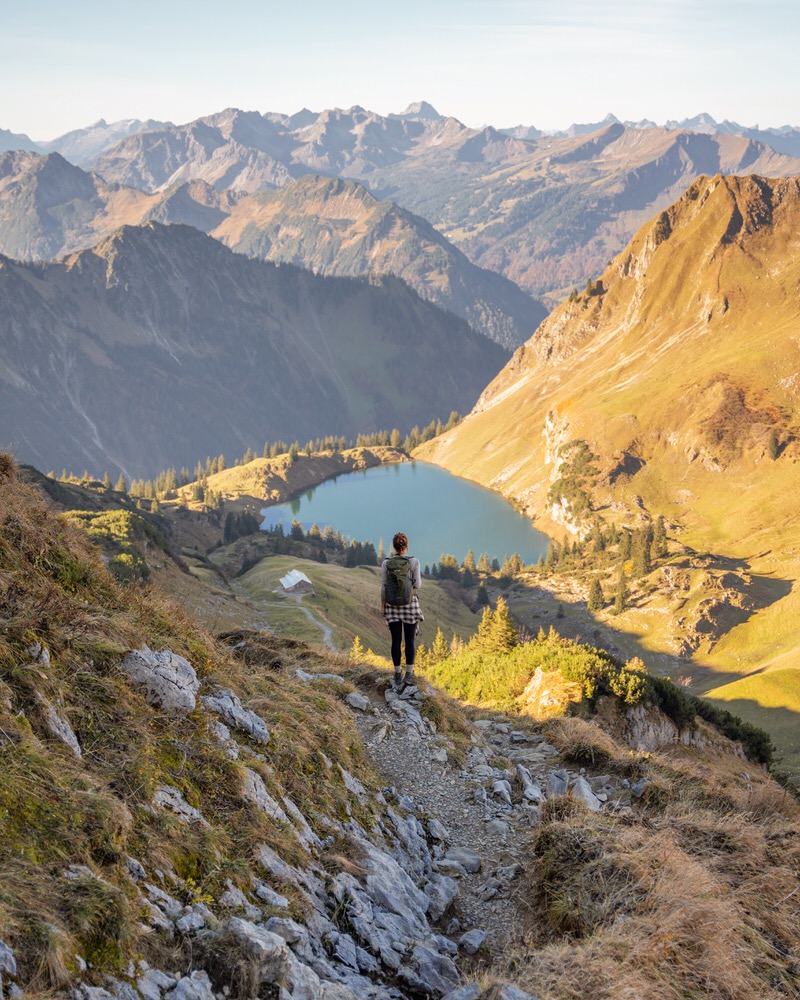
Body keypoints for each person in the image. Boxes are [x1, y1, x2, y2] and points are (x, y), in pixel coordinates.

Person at [380, 531, 423, 690]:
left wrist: (383, 606)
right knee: (410, 640)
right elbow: (417, 585)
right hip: (409, 605)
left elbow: (384, 586)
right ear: (406, 546)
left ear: (394, 546)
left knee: (396, 641)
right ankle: (409, 673)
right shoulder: (414, 562)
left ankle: (397, 673)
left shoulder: (386, 563)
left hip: (392, 606)